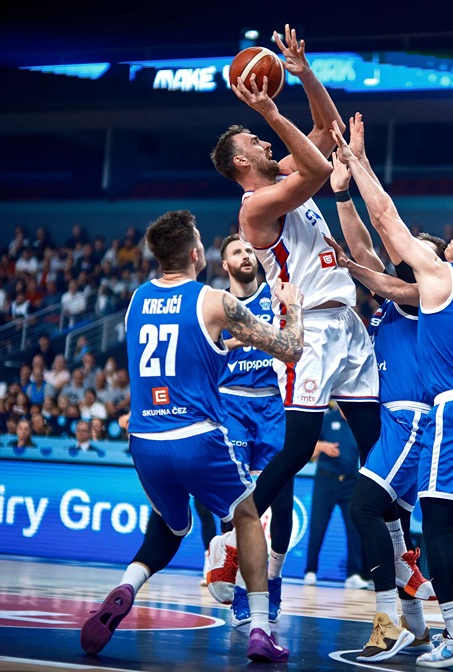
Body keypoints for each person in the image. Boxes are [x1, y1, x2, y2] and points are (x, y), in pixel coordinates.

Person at [207, 27, 382, 631]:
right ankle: (235, 537)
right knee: (300, 448)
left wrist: (305, 74)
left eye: (262, 133)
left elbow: (329, 134)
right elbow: (316, 169)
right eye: (253, 139)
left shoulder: (280, 172)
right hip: (309, 330)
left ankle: (399, 575)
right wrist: (271, 112)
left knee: (377, 448)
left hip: (350, 322)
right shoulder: (256, 208)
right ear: (240, 162)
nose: (263, 139)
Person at [331, 114, 453, 666]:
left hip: (451, 410)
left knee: (437, 526)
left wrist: (358, 162)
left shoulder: (443, 275)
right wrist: (354, 265)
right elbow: (389, 282)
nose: (451, 237)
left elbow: (385, 219)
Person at [79, 209, 304, 663]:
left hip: (145, 439)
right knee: (247, 515)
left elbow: (189, 346)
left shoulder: (136, 300)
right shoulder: (214, 301)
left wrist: (227, 344)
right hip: (196, 434)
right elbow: (291, 348)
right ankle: (260, 627)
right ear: (197, 253)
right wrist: (294, 307)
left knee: (168, 525)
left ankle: (127, 585)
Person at [321, 150, 439, 662]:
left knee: (364, 508)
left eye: (417, 251)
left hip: (410, 420)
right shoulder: (395, 297)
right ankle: (418, 626)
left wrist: (352, 265)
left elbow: (370, 261)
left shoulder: (426, 295)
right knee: (394, 523)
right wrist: (342, 194)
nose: (406, 253)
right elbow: (363, 247)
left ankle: (387, 622)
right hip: (395, 419)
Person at [213, 234, 291, 627]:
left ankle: (273, 578)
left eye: (249, 250)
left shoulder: (274, 295)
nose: (246, 255)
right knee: (235, 503)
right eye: (237, 252)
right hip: (231, 405)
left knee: (282, 499)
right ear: (224, 264)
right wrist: (233, 340)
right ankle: (242, 587)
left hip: (274, 402)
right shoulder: (215, 304)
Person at [302, 404, 368, 590]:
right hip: (326, 480)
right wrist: (322, 446)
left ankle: (353, 574)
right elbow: (307, 446)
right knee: (318, 525)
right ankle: (310, 571)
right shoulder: (327, 419)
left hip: (351, 481)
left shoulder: (360, 422)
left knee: (354, 528)